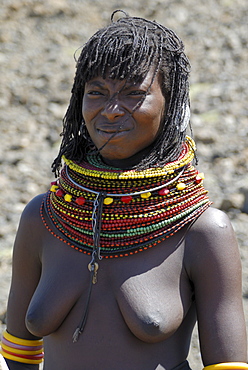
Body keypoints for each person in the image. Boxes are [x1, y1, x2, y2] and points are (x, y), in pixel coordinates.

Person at [0, 10, 247, 370]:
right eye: (97, 92)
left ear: (171, 102)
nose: (112, 110)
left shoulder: (202, 231)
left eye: (134, 94)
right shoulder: (43, 217)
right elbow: (19, 353)